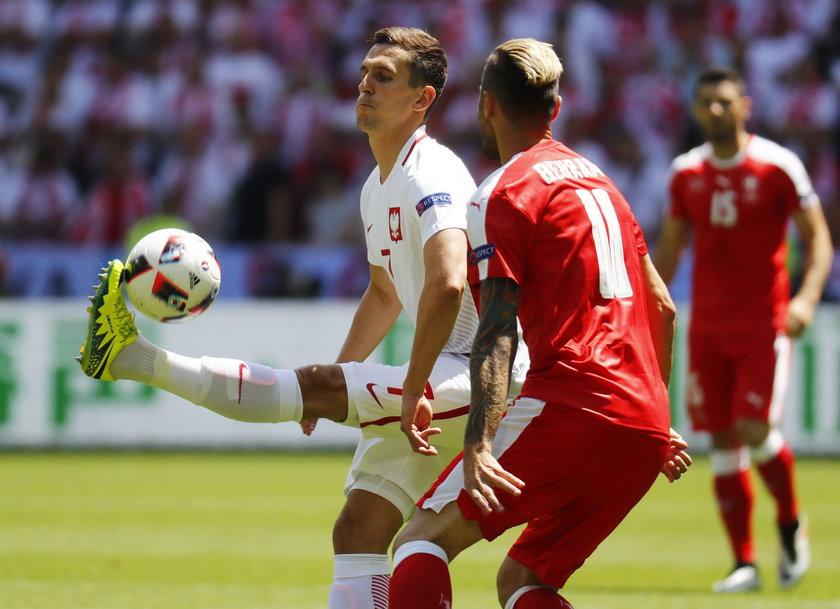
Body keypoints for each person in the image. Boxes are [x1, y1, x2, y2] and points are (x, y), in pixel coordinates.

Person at [78, 27, 526, 609]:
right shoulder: (376, 186)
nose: (365, 85)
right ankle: (134, 359)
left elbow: (448, 281)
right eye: (365, 72)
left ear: (423, 99)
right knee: (358, 531)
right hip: (443, 369)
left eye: (384, 76)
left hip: (485, 372)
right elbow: (385, 294)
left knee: (312, 390)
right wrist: (344, 370)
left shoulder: (431, 172)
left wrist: (394, 384)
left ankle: (134, 360)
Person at [388, 38, 691, 609]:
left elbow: (498, 330)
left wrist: (478, 442)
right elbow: (663, 307)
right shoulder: (603, 183)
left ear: (486, 105)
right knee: (524, 580)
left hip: (574, 404)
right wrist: (657, 414)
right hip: (645, 423)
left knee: (420, 541)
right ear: (555, 109)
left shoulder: (500, 193)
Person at [654, 67, 832, 593]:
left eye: (724, 101)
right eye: (705, 101)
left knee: (754, 429)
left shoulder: (779, 166)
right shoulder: (686, 173)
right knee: (724, 442)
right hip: (708, 327)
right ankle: (745, 564)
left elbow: (819, 241)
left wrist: (805, 297)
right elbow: (669, 249)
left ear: (744, 105)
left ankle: (790, 523)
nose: (714, 110)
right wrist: (642, 304)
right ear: (694, 108)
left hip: (762, 325)